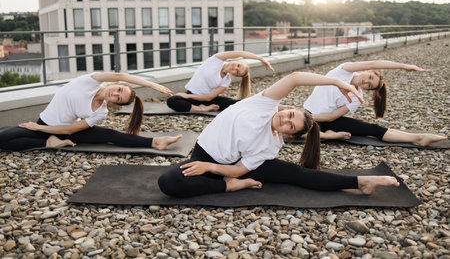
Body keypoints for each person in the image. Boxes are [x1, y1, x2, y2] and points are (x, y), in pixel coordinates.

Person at [158, 71, 399, 198]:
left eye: (290, 126)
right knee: (169, 182)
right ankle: (228, 187)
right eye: (291, 115)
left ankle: (360, 182)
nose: (285, 120)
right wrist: (338, 83)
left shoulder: (271, 145)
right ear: (288, 108)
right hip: (203, 152)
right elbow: (295, 78)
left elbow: (239, 169)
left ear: (289, 135)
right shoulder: (263, 104)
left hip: (225, 165)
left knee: (298, 175)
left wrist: (211, 169)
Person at [0, 72, 182, 151]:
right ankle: (48, 143)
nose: (115, 93)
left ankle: (156, 142)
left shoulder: (101, 112)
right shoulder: (89, 81)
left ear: (115, 103)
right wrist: (151, 84)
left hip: (61, 131)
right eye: (119, 89)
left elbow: (69, 131)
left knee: (110, 134)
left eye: (118, 98)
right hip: (43, 124)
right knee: (4, 139)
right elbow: (120, 75)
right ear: (116, 84)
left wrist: (40, 130)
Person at [303, 60, 448, 146]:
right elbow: (375, 62)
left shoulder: (357, 97)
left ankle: (418, 138)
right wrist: (403, 66)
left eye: (370, 85)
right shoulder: (343, 71)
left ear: (367, 89)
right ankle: (330, 135)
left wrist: (308, 116)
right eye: (370, 77)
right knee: (297, 132)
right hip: (306, 115)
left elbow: (331, 117)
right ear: (368, 70)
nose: (366, 81)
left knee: (373, 129)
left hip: (324, 120)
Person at [166, 51, 274, 112]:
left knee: (235, 104)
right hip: (192, 97)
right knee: (172, 100)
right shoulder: (216, 60)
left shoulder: (226, 80)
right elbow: (241, 53)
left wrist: (188, 97)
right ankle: (200, 109)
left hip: (204, 99)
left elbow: (209, 97)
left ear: (235, 75)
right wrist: (260, 58)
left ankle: (269, 106)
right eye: (238, 65)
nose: (234, 68)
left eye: (237, 72)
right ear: (236, 60)